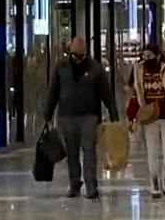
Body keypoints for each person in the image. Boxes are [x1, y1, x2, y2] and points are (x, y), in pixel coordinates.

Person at [44, 35, 118, 201]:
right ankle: (74, 183)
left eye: (81, 53)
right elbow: (53, 91)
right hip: (67, 115)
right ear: (70, 50)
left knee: (89, 150)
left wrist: (113, 112)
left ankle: (91, 185)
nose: (78, 57)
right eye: (75, 53)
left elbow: (105, 92)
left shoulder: (95, 68)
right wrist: (48, 113)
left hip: (89, 116)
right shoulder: (61, 67)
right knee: (71, 152)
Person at [135, 42, 165, 198]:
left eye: (150, 56)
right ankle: (154, 182)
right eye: (144, 56)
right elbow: (137, 90)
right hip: (149, 115)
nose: (146, 59)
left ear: (157, 56)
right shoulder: (139, 69)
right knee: (152, 150)